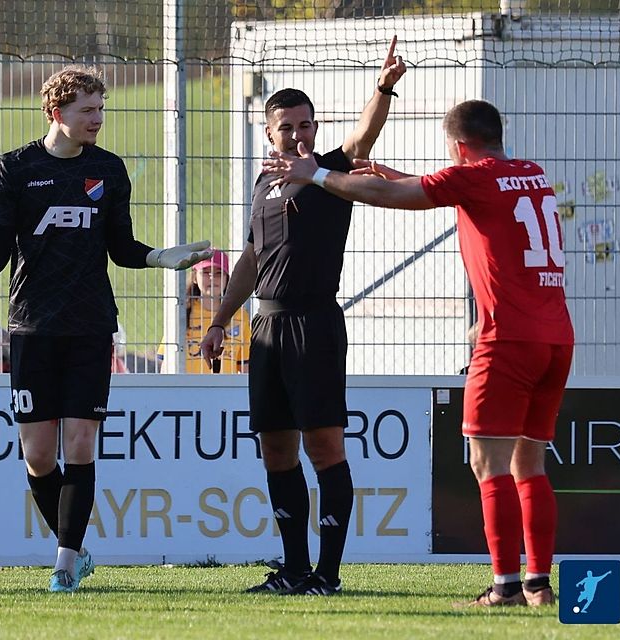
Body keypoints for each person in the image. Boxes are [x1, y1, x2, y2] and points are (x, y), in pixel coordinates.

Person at [263, 99, 573, 607]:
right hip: (556, 337)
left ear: (457, 147)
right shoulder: (529, 174)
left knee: (487, 463)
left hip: (507, 340)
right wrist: (393, 173)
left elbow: (389, 195)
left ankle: (506, 588)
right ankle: (538, 584)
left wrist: (316, 175)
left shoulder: (472, 178)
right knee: (531, 464)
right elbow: (445, 188)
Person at [0, 65, 211, 593]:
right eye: (88, 110)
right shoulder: (15, 169)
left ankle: (64, 564)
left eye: (101, 109)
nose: (98, 119)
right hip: (31, 327)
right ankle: (79, 549)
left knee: (81, 443)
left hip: (89, 326)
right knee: (39, 454)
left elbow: (122, 248)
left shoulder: (108, 170)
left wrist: (159, 257)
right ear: (56, 112)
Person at [199, 37, 407, 596]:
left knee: (325, 448)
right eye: (287, 126)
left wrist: (383, 87)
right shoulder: (263, 184)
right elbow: (250, 258)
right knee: (276, 449)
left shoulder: (329, 172)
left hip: (314, 324)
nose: (298, 134)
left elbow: (364, 135)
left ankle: (328, 574)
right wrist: (220, 321)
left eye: (306, 124)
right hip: (265, 327)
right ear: (269, 133)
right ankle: (292, 570)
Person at [157, 249, 251, 373]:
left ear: (227, 278)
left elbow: (245, 366)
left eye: (218, 273)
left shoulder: (239, 315)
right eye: (205, 272)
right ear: (195, 277)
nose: (212, 277)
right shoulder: (181, 313)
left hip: (224, 390)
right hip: (187, 389)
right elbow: (166, 363)